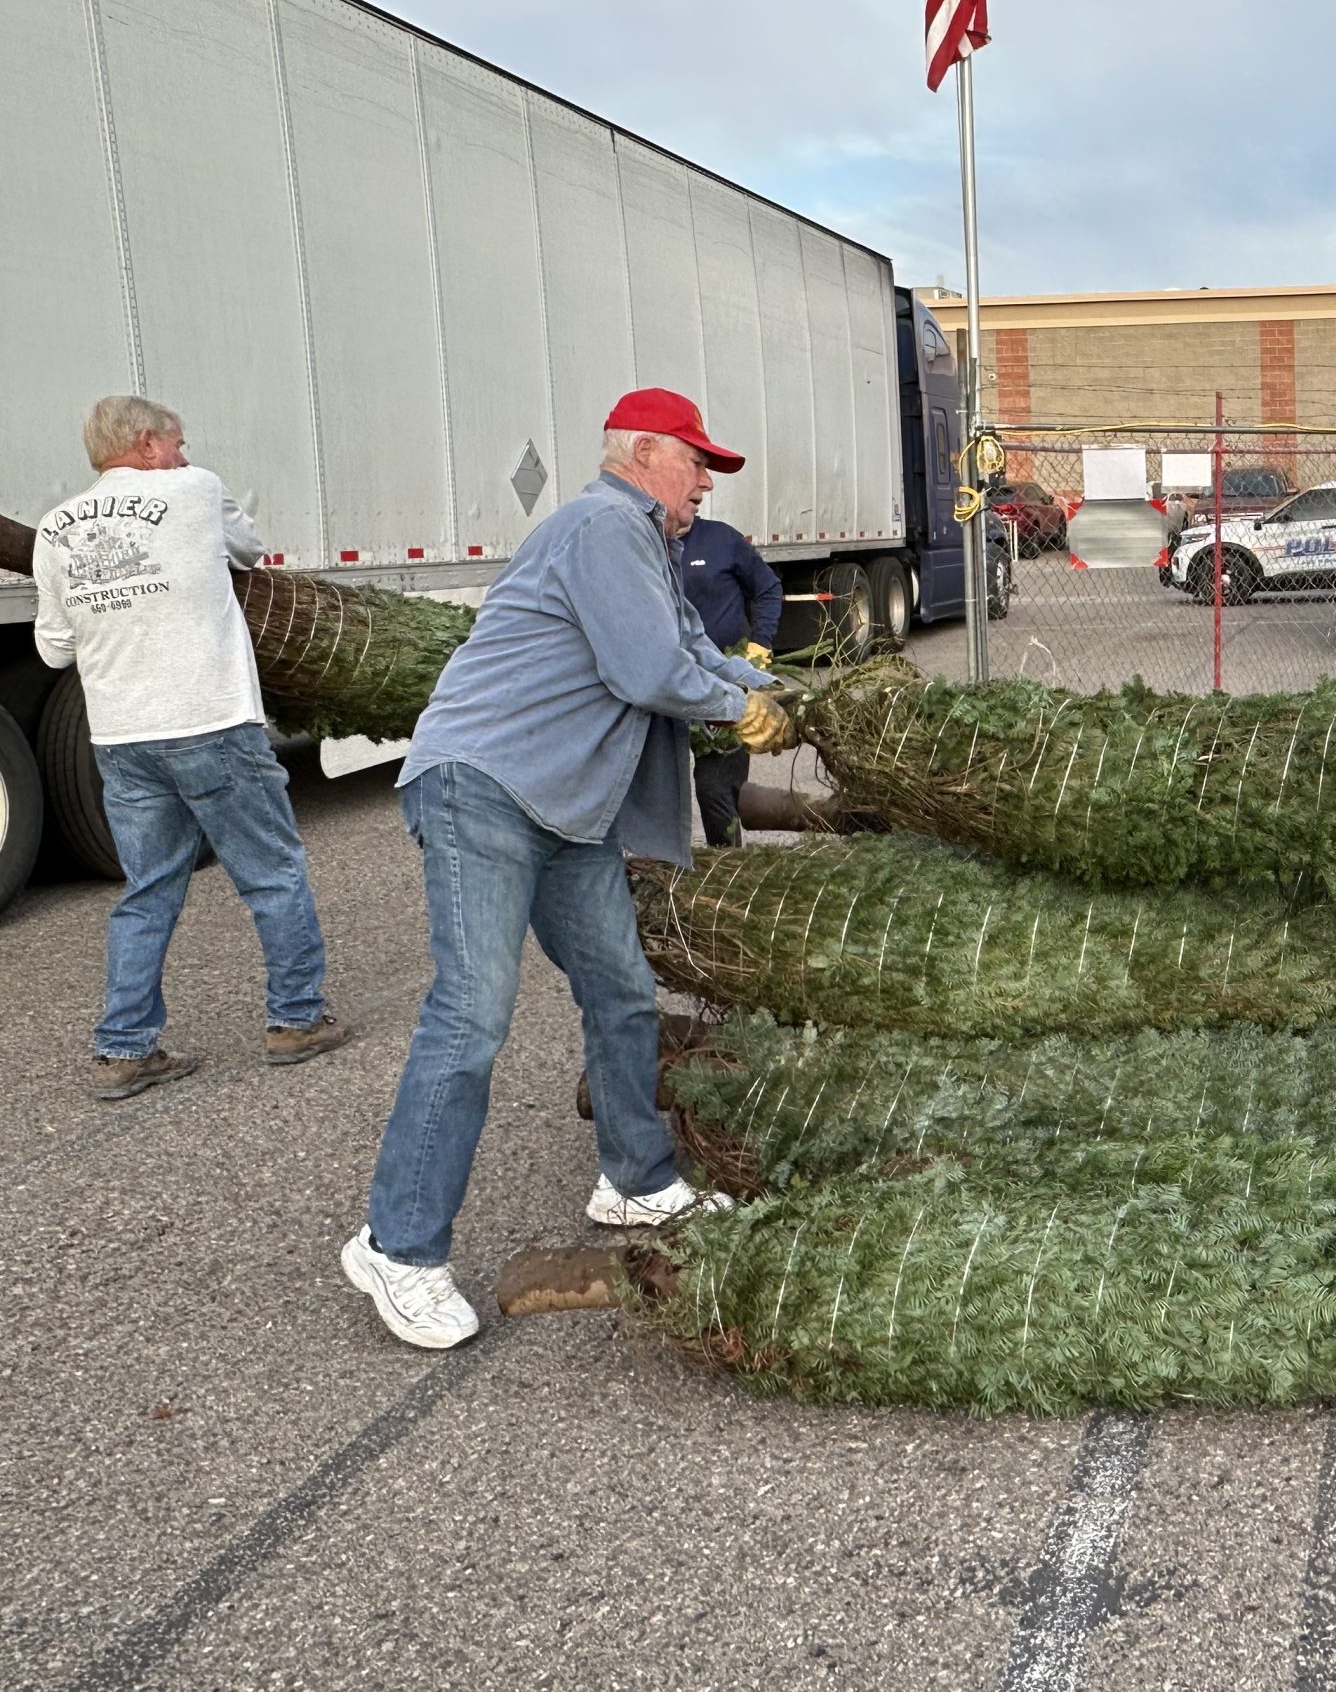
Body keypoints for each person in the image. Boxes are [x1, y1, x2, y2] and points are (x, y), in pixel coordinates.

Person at [341, 389, 798, 1350]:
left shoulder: (647, 544)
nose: (707, 482)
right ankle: (399, 1247)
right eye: (696, 461)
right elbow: (649, 672)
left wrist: (781, 693)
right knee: (472, 1013)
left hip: (566, 809)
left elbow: (690, 648)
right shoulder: (602, 523)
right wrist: (730, 709)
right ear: (640, 453)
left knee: (622, 994)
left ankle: (635, 1180)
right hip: (487, 790)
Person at [32, 396, 349, 1101]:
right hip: (209, 721)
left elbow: (52, 650)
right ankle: (296, 1021)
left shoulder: (54, 526)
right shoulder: (197, 490)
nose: (183, 451)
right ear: (146, 443)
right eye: (176, 441)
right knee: (271, 874)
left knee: (147, 893)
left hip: (121, 737)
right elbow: (248, 550)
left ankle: (123, 1050)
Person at [674, 507, 783, 847]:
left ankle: (727, 867)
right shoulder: (647, 549)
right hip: (670, 687)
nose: (693, 499)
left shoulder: (722, 539)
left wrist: (759, 646)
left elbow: (768, 589)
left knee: (715, 787)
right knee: (665, 789)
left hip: (726, 684)